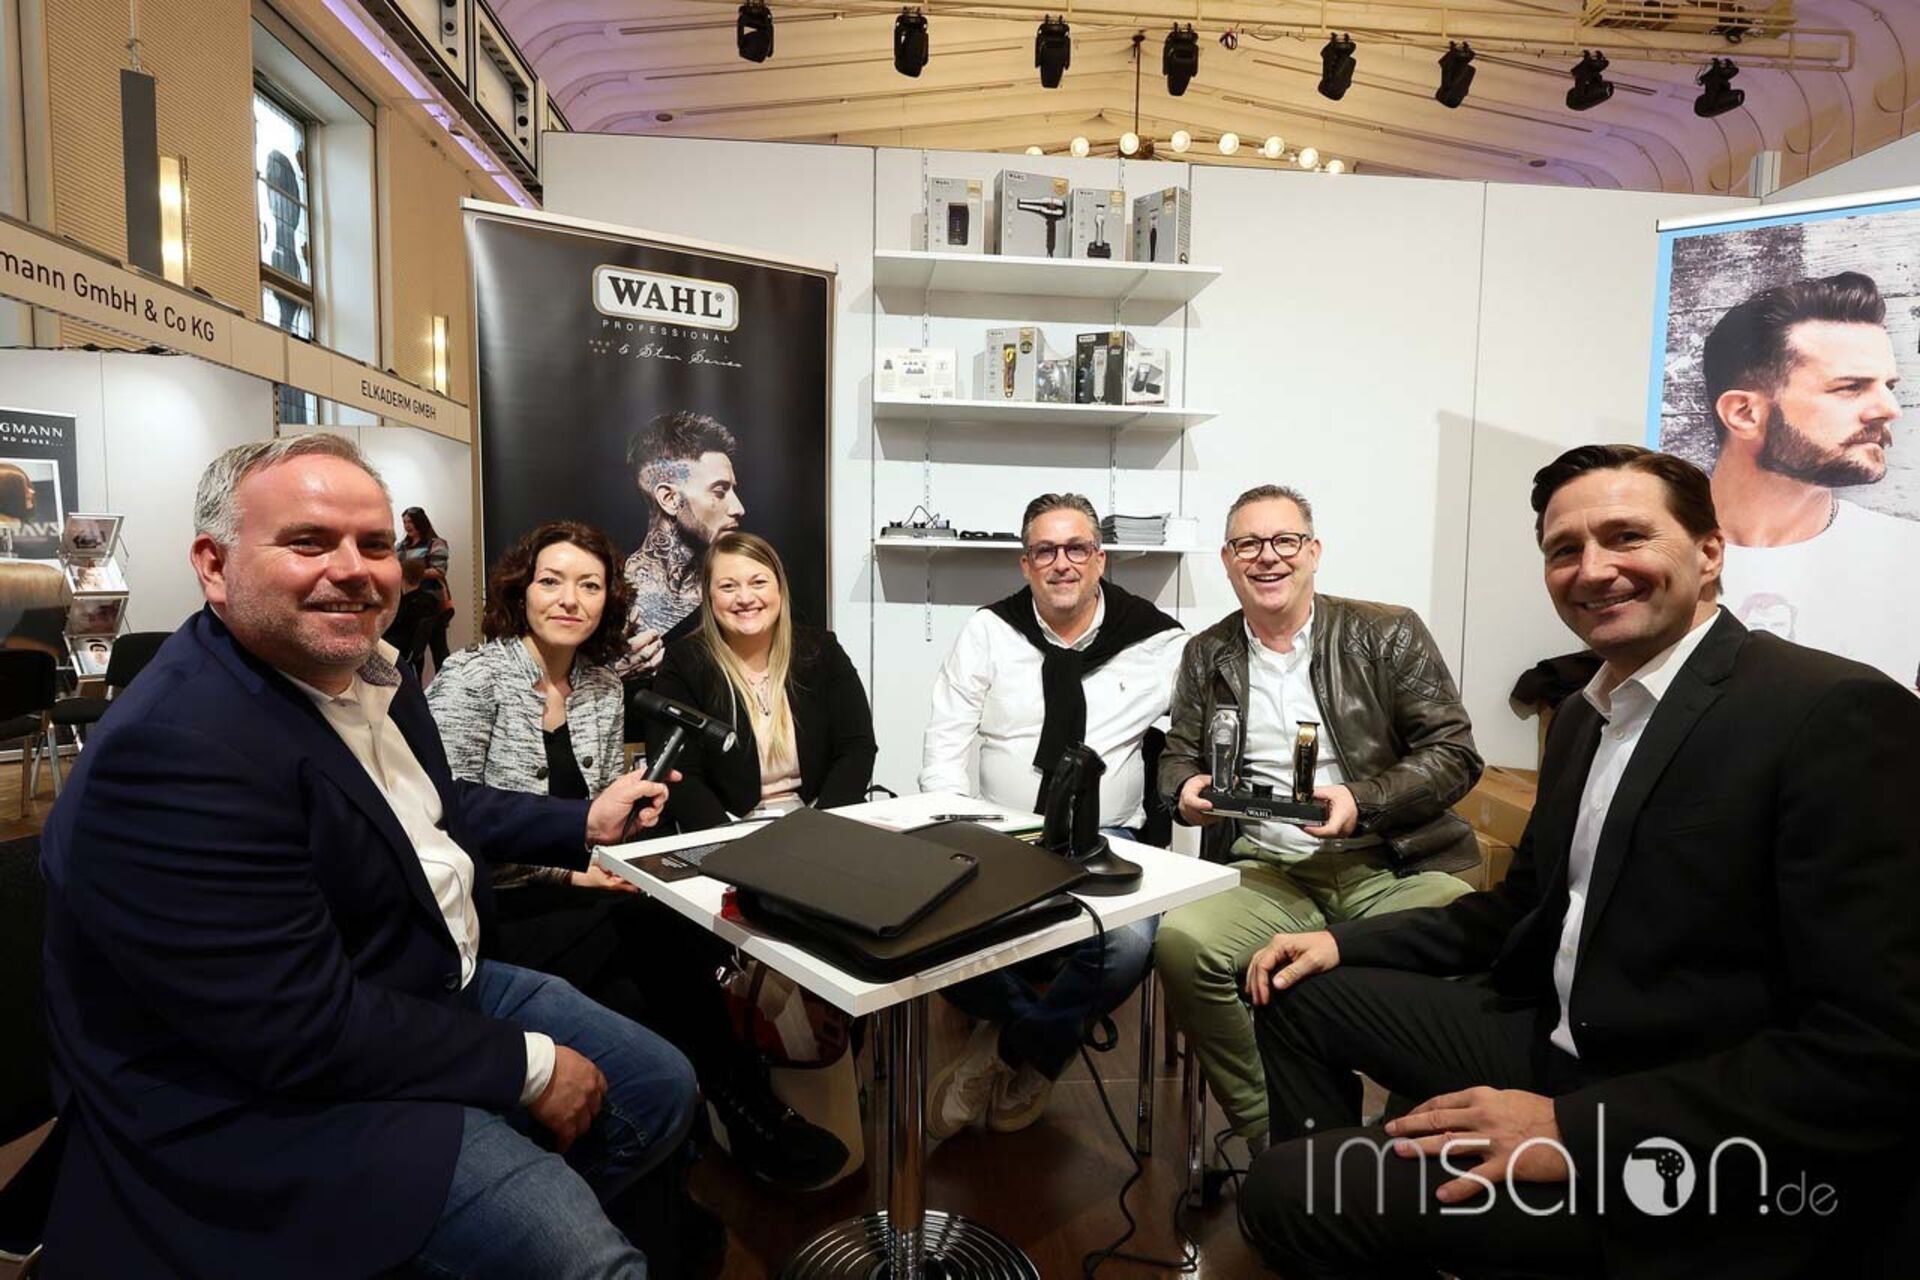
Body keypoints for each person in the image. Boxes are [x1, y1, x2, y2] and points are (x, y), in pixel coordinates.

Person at [1238, 444, 1920, 1279]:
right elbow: (1518, 910)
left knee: (1291, 1192)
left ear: (1710, 552)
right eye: (1565, 549)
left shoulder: (1831, 714)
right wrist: (1340, 944)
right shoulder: (1587, 717)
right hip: (1562, 1039)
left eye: (1627, 537)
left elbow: (1873, 1048)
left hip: (1682, 1116)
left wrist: (1574, 1130)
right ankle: (1385, 1214)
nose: (1593, 570)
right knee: (1293, 987)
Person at [38, 435, 700, 1278]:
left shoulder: (371, 670)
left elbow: (433, 807)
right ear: (214, 565)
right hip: (267, 1100)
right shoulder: (176, 749)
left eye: (376, 544)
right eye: (308, 541)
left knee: (661, 1084)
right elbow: (297, 1028)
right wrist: (530, 1068)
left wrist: (581, 822)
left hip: (421, 978)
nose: (353, 570)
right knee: (582, 1258)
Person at [427, 519, 847, 1192]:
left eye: (589, 586)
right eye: (552, 582)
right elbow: (445, 814)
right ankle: (736, 1112)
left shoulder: (598, 686)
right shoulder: (473, 677)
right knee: (657, 952)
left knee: (667, 939)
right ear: (520, 590)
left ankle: (703, 1129)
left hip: (585, 895)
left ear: (608, 601)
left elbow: (600, 818)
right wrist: (579, 871)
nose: (570, 599)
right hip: (500, 905)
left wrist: (626, 832)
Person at [1153, 483, 1483, 1151]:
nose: (1267, 557)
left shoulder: (1387, 632)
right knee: (1183, 943)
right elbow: (1177, 753)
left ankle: (1405, 1138)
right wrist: (1184, 786)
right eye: (1248, 543)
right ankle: (1275, 1132)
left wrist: (1365, 798)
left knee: (1466, 938)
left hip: (1393, 862)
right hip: (1269, 870)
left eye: (1284, 540)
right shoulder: (1207, 653)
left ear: (1313, 551)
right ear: (1227, 559)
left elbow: (1455, 754)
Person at [918, 493, 1184, 1139]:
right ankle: (1036, 1035)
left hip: (1107, 841)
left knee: (1130, 945)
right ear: (1025, 563)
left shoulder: (1158, 642)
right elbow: (945, 744)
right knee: (927, 933)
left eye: (1076, 548)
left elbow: (1202, 735)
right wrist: (955, 834)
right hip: (1000, 834)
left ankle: (1016, 1050)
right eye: (1045, 550)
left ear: (1100, 558)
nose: (1062, 563)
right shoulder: (989, 631)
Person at [1701, 271, 1920, 680]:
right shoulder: (1650, 558)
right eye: (1850, 387)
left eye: (1888, 385)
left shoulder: (1911, 558)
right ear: (1744, 413)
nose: (1890, 409)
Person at [646, 530, 874, 829]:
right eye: (728, 586)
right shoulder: (684, 664)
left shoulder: (822, 651)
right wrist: (727, 838)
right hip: (727, 828)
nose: (745, 598)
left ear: (779, 588)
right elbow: (679, 774)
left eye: (758, 583)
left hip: (818, 819)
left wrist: (822, 827)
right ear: (709, 596)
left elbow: (857, 747)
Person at [620, 410, 745, 673]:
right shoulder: (610, 596)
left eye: (733, 490)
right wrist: (611, 678)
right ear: (670, 499)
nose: (738, 508)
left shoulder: (741, 594)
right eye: (719, 491)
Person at [399, 504, 454, 674]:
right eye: (404, 522)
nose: (407, 526)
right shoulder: (401, 546)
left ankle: (446, 685)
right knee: (413, 651)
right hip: (409, 602)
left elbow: (439, 571)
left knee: (438, 648)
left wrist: (413, 573)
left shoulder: (436, 544)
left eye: (410, 521)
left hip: (432, 602)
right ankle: (415, 687)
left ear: (420, 522)